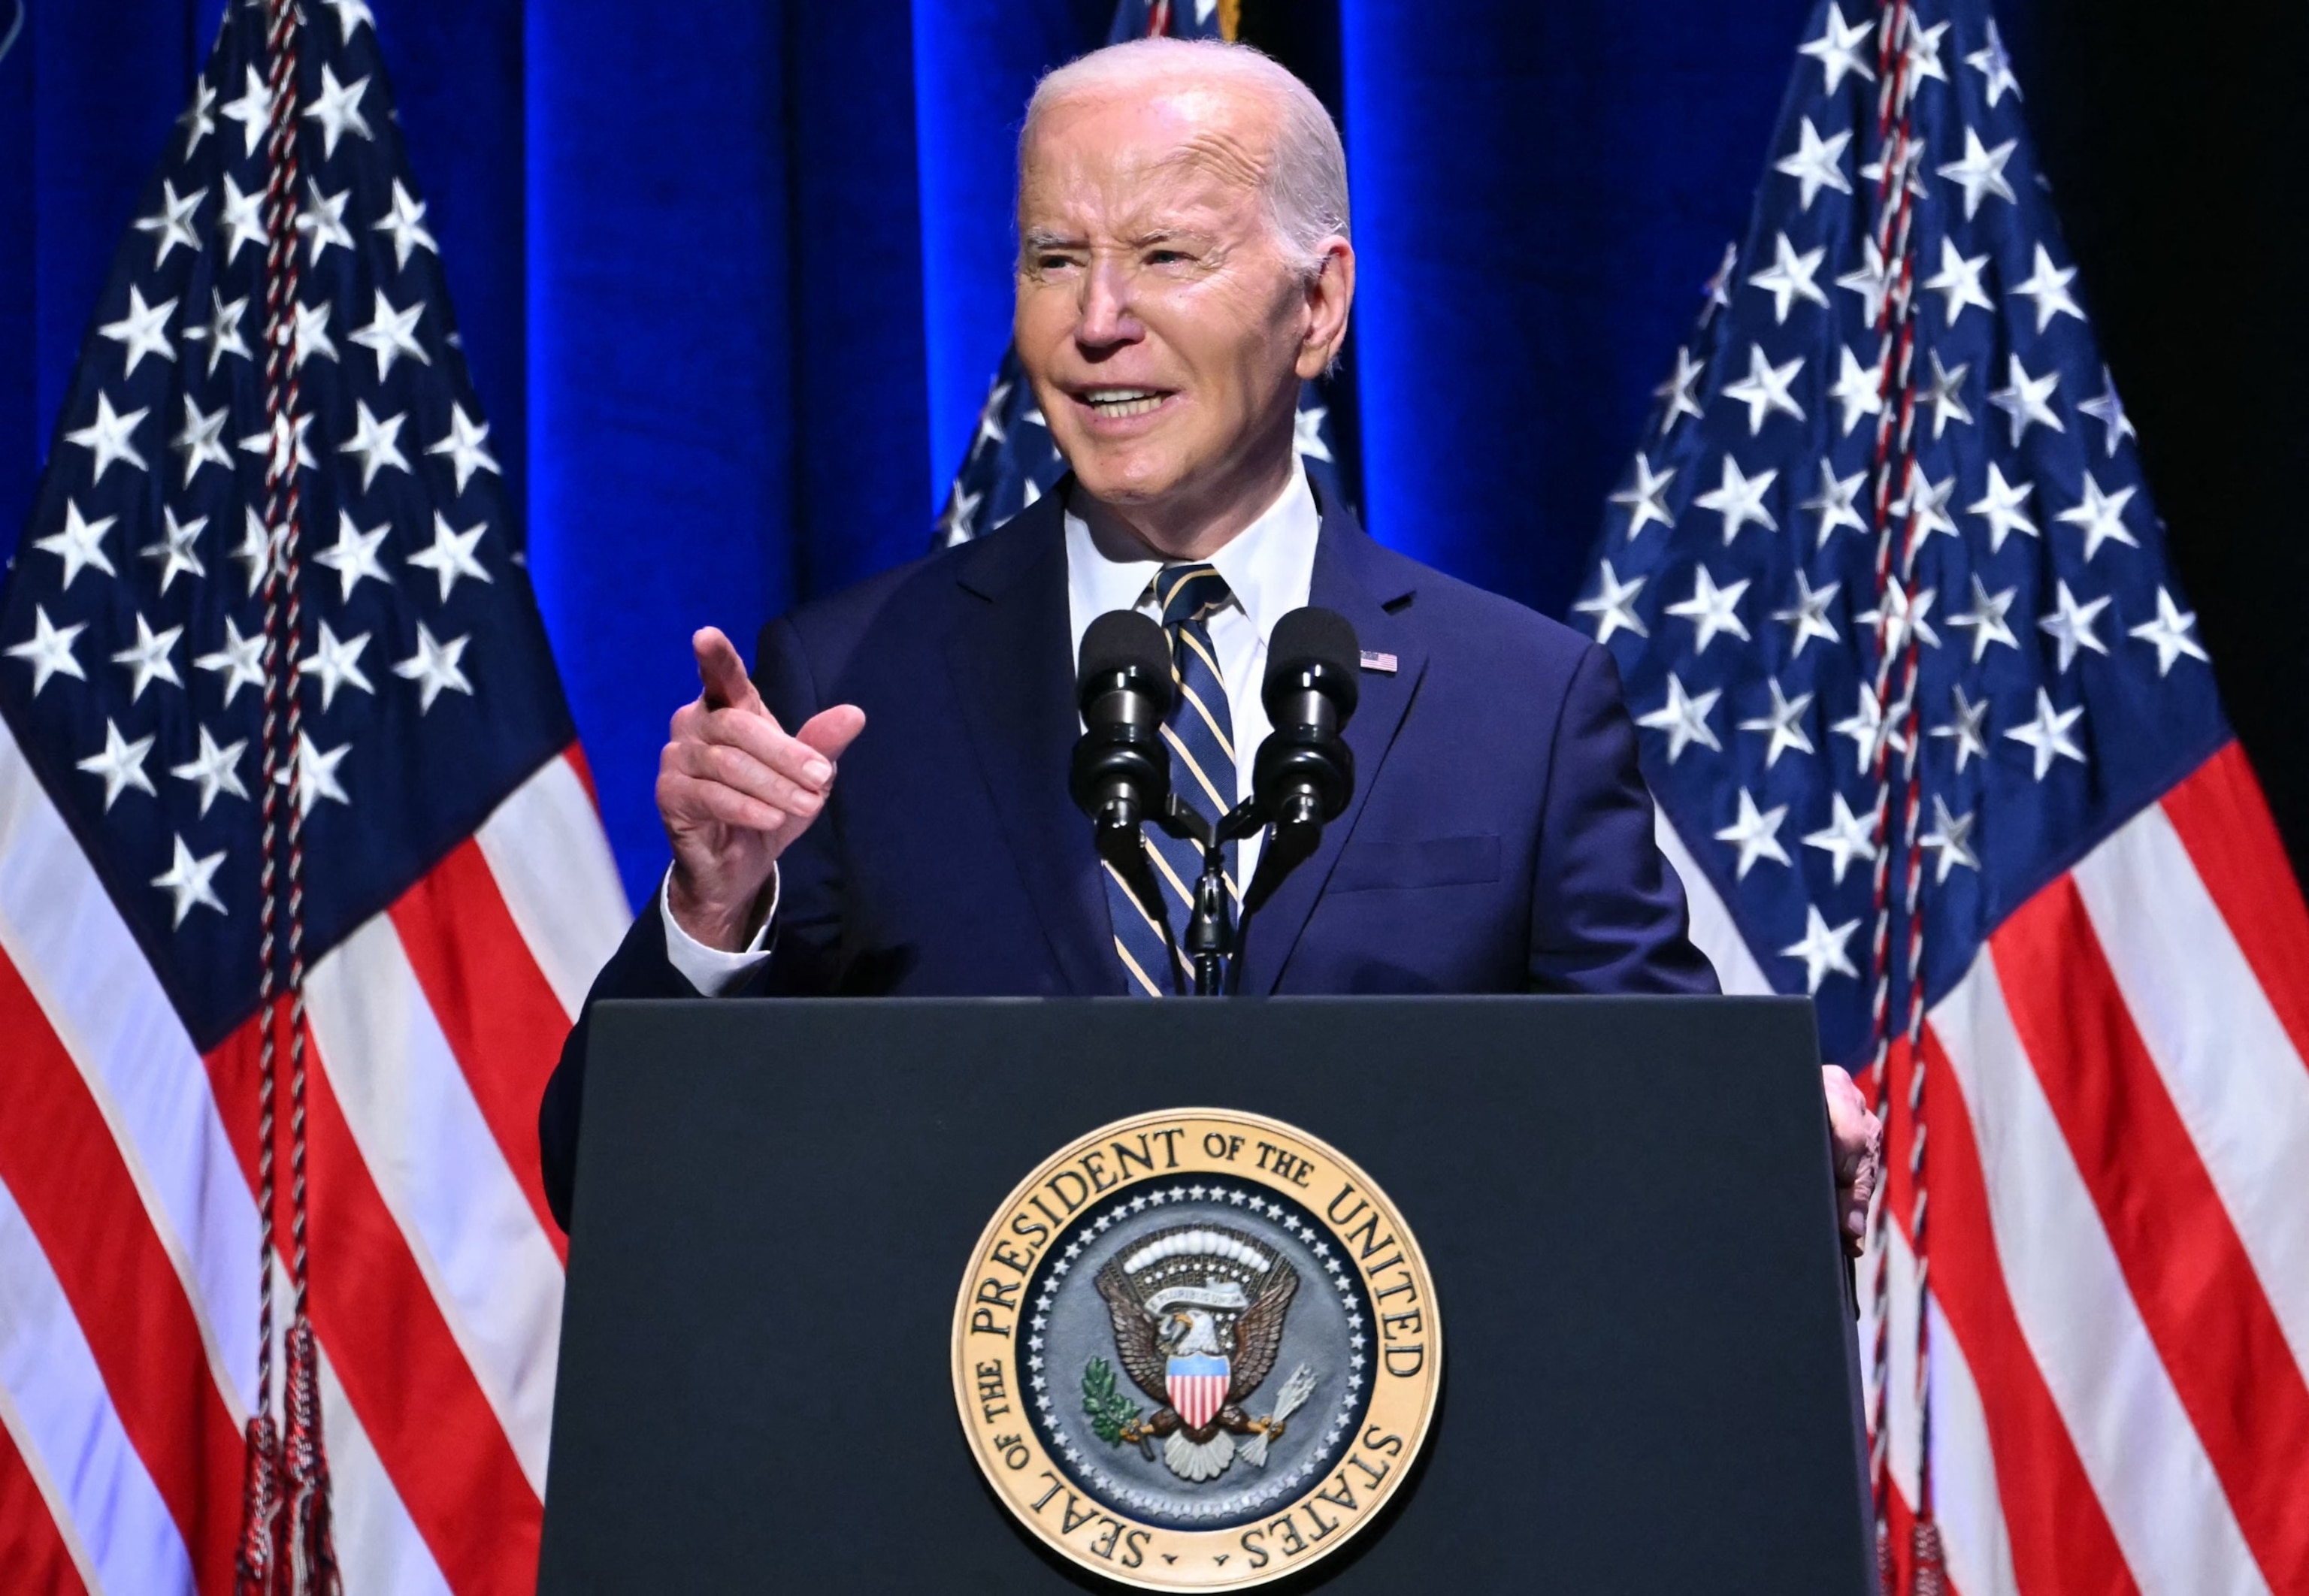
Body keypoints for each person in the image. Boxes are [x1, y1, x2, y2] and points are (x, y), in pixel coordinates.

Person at [537, 36, 1881, 1243]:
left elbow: (1656, 1132)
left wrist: (1755, 1139)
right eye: (1054, 259)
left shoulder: (1520, 705)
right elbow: (607, 1179)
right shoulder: (853, 687)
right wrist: (711, 917)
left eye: (1167, 255)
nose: (1096, 319)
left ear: (1320, 306)